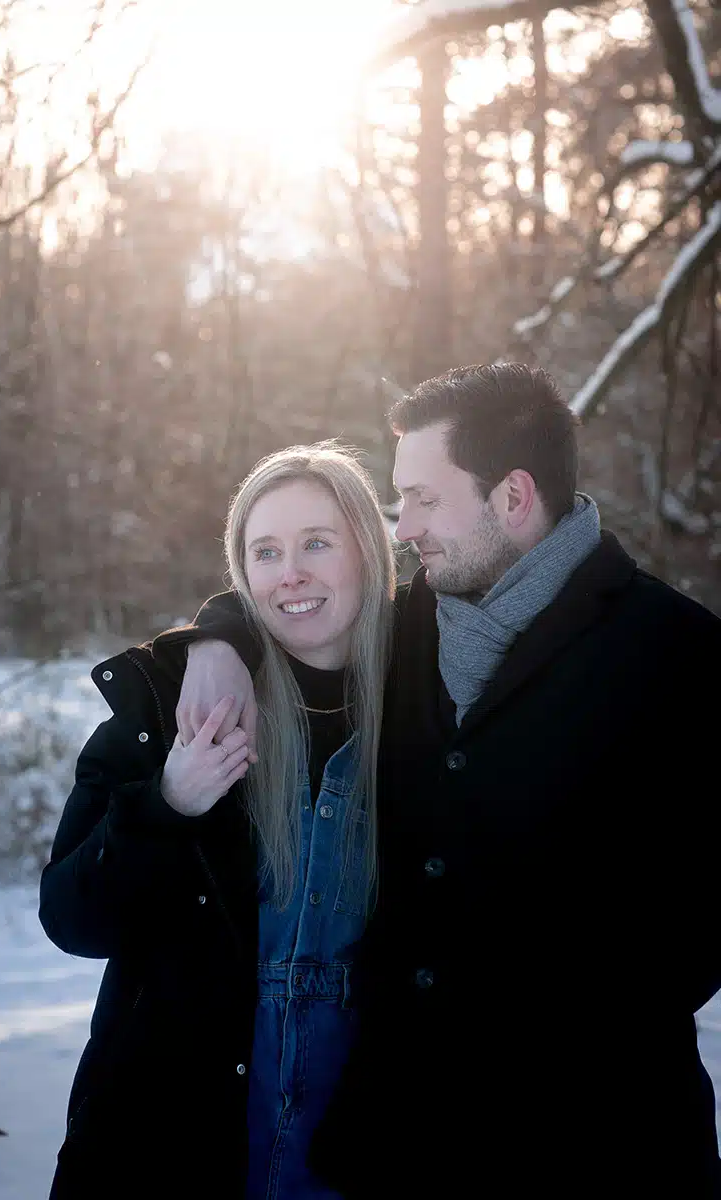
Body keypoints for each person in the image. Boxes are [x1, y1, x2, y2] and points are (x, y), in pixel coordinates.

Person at [176, 363, 721, 1198]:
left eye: (425, 500)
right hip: (413, 1147)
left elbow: (696, 936)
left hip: (605, 1145)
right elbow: (292, 598)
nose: (403, 528)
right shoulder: (401, 636)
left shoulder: (674, 654)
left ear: (512, 497)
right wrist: (216, 640)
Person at [38, 441, 396, 1199]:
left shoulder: (430, 715)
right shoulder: (172, 708)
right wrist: (167, 804)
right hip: (178, 1148)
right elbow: (71, 920)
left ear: (368, 550)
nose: (289, 572)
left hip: (357, 1150)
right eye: (264, 551)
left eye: (316, 544)